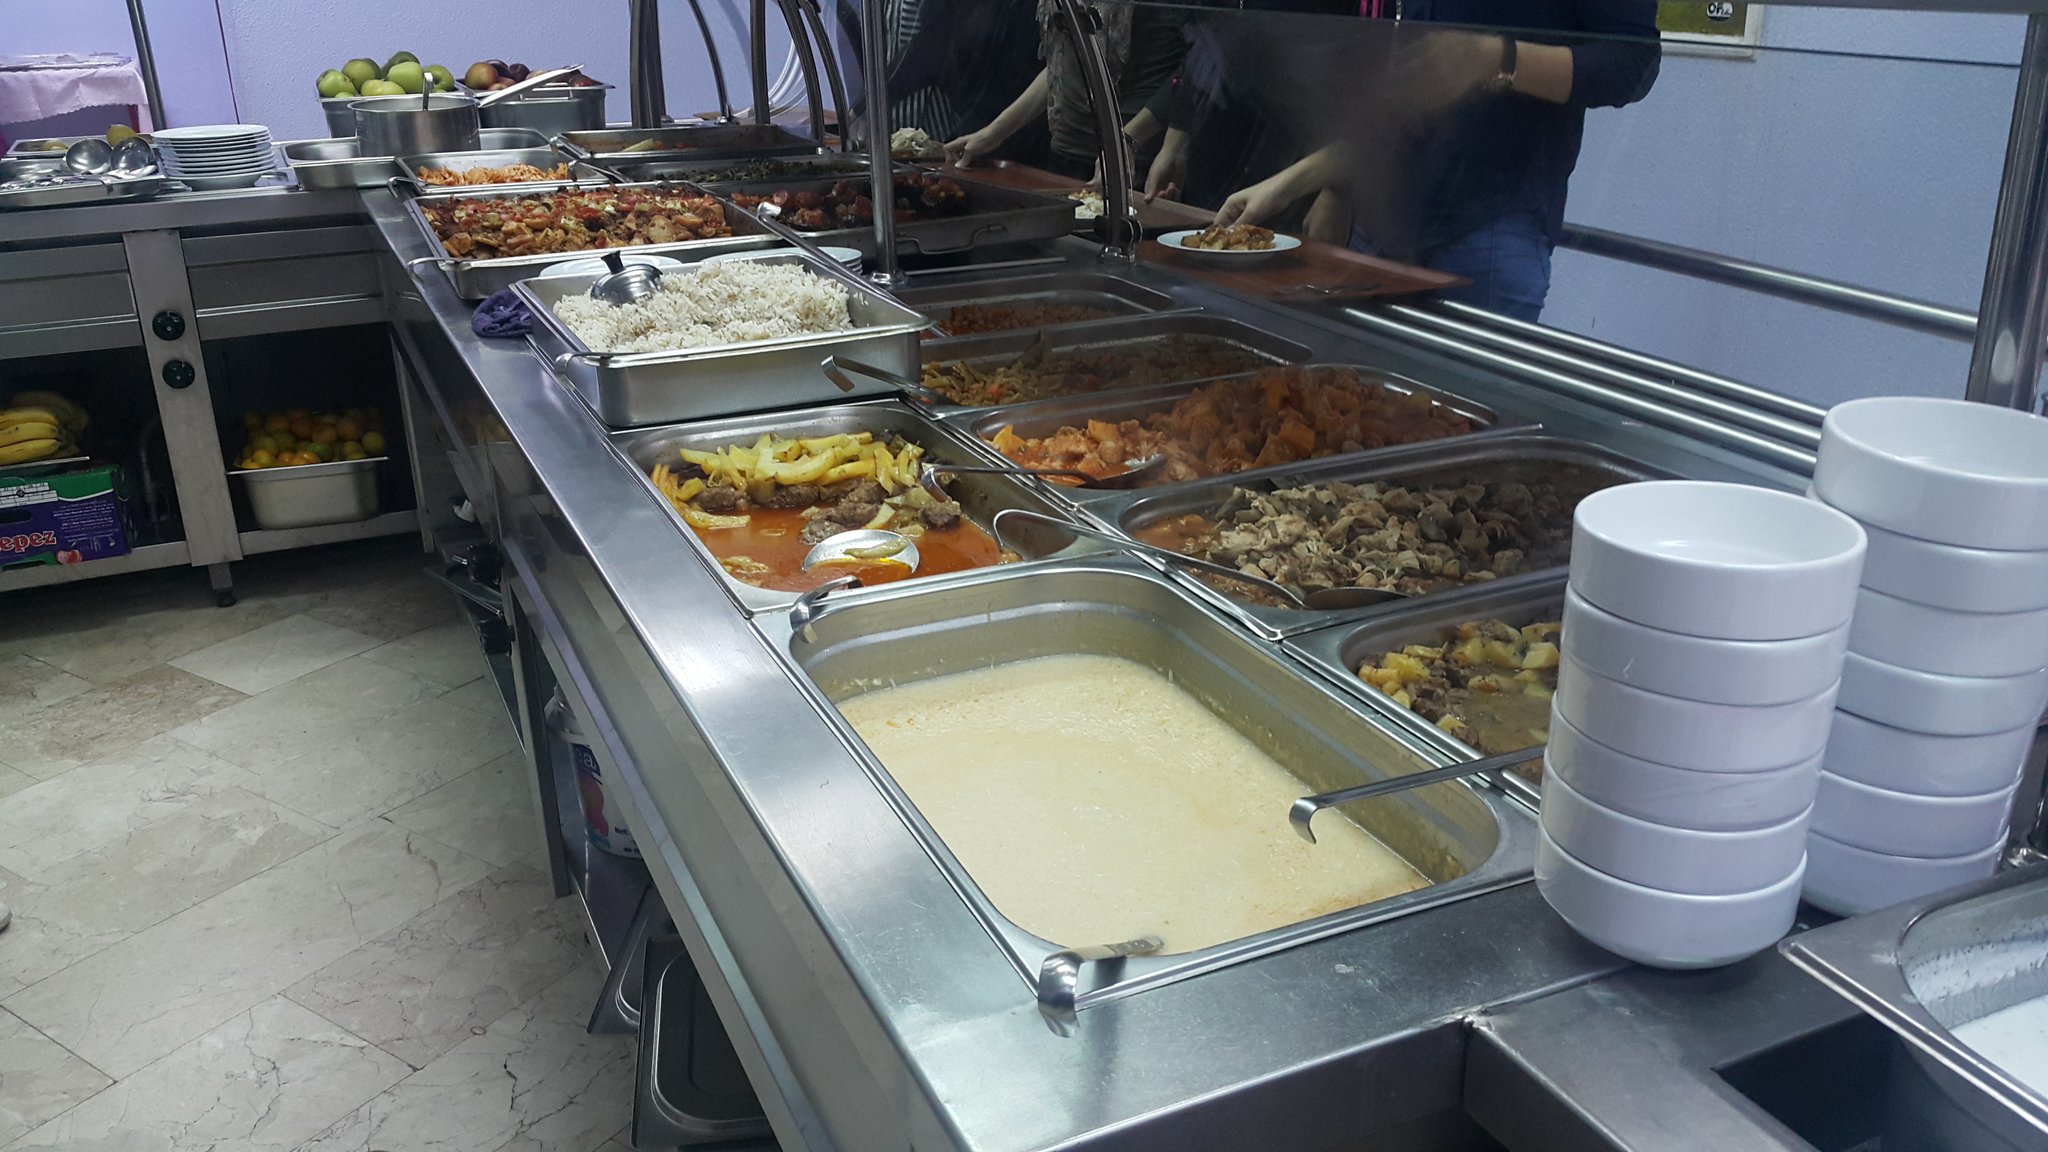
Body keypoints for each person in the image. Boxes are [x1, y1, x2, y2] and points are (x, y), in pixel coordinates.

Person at [1212, 0, 1661, 320]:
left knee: (1468, 417)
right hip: (1379, 222)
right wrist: (1327, 184)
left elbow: (1632, 64)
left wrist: (1499, 58)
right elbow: (1404, 91)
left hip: (1490, 229)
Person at [943, 1, 1187, 181]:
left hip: (1132, 160)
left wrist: (1128, 140)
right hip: (1068, 147)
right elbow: (1063, 67)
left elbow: (1192, 73)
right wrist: (993, 133)